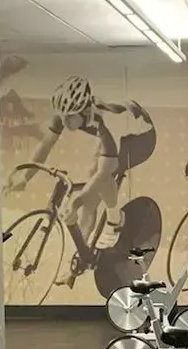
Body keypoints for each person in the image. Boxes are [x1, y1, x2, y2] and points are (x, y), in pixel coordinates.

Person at [22, 76, 147, 266]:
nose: (64, 122)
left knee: (99, 178)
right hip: (115, 131)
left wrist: (77, 202)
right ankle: (81, 256)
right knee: (91, 189)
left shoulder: (108, 123)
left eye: (70, 117)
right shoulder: (67, 112)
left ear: (86, 110)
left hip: (139, 139)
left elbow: (104, 172)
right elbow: (46, 145)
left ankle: (116, 220)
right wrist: (24, 178)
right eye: (61, 117)